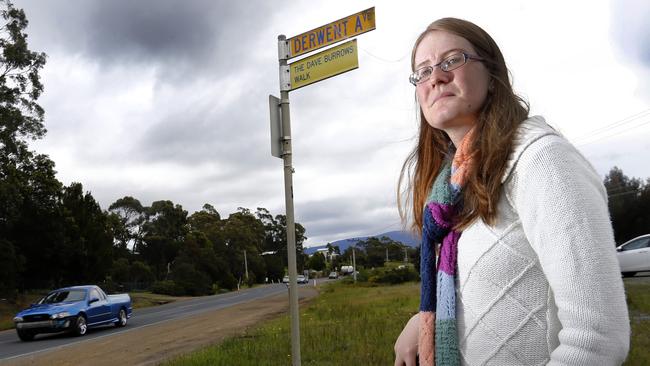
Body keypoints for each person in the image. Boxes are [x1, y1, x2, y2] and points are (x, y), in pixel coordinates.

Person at [394, 18, 630, 365]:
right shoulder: (452, 191)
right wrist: (422, 321)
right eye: (423, 71)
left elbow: (597, 339)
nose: (436, 77)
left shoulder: (541, 160)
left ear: (492, 76)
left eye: (452, 60)